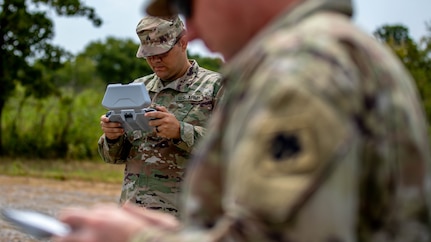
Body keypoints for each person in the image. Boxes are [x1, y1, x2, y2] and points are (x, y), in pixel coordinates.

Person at [56, 0, 431, 241]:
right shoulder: (321, 56)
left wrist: (138, 237)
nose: (196, 30)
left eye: (191, 5)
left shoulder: (301, 71)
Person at [98, 14, 223, 217]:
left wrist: (181, 131)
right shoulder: (138, 88)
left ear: (183, 42)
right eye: (148, 54)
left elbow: (235, 150)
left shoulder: (217, 87)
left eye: (161, 52)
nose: (155, 60)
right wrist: (112, 137)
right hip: (134, 214)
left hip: (188, 219)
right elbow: (113, 157)